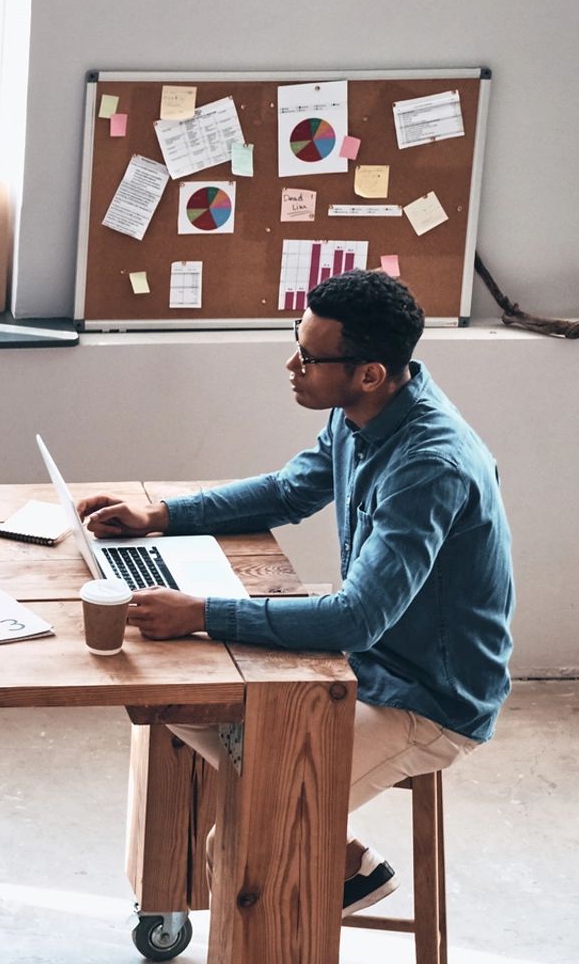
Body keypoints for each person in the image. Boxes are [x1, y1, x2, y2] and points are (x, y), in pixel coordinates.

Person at [77, 270, 512, 916]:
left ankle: (309, 856)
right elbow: (287, 492)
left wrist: (202, 612)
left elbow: (356, 619)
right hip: (365, 665)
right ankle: (341, 861)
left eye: (309, 356)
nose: (292, 364)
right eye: (296, 342)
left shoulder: (428, 464)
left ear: (368, 373)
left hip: (427, 699)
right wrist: (160, 516)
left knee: (247, 840)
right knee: (173, 693)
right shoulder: (362, 414)